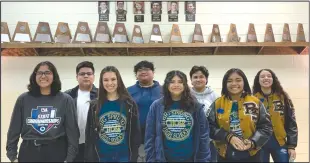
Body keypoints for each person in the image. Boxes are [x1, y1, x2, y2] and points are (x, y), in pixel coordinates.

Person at [6, 61, 79, 162]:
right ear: (34, 76)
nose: (43, 76)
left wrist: (69, 158)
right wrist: (12, 156)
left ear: (54, 76)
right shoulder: (23, 99)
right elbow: (13, 130)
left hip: (57, 151)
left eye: (47, 72)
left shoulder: (65, 100)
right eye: (39, 73)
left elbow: (73, 132)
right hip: (29, 152)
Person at [145, 70, 211, 162]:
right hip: (164, 159)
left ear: (185, 85)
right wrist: (151, 159)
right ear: (167, 84)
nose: (176, 85)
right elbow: (150, 136)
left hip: (191, 159)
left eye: (180, 82)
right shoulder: (156, 106)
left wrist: (204, 160)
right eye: (172, 82)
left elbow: (203, 136)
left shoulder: (195, 106)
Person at [208, 68, 273, 162]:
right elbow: (208, 127)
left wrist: (253, 142)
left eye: (238, 80)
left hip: (252, 153)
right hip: (224, 154)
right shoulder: (217, 103)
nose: (234, 83)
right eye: (230, 81)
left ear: (244, 82)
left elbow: (266, 127)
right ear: (225, 84)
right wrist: (228, 137)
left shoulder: (255, 102)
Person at [84, 66, 141, 162]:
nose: (110, 83)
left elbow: (136, 133)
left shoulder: (129, 104)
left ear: (118, 81)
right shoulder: (94, 106)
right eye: (106, 80)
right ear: (101, 82)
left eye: (113, 79)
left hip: (125, 157)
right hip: (101, 158)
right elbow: (89, 136)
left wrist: (134, 156)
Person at [252, 69, 298, 162]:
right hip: (259, 144)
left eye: (269, 76)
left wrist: (291, 146)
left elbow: (291, 122)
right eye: (262, 76)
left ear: (273, 79)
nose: (266, 78)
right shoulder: (252, 99)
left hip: (279, 143)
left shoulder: (283, 97)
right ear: (258, 80)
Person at [127, 60, 162, 162]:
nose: (143, 71)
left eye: (147, 69)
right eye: (139, 70)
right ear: (136, 75)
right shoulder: (128, 91)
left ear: (153, 73)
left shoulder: (163, 90)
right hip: (135, 136)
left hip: (158, 135)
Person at [64, 61, 98, 162]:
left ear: (93, 76)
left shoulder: (101, 95)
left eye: (89, 74)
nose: (86, 76)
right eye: (82, 74)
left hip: (94, 145)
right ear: (76, 77)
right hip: (73, 145)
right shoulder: (67, 96)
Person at [189, 65, 219, 162]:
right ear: (191, 80)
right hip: (191, 139)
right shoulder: (186, 95)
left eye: (201, 77)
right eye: (195, 77)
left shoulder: (215, 96)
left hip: (210, 140)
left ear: (206, 79)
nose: (198, 79)